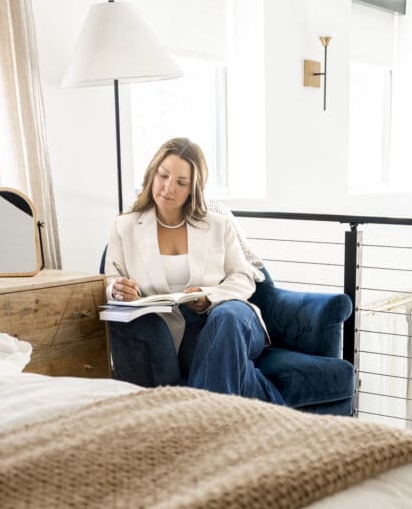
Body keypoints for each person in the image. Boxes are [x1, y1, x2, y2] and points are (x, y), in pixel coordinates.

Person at [105, 137, 283, 404]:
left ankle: (198, 420)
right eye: (163, 175)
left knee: (227, 317)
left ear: (193, 188)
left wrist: (209, 296)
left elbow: (243, 277)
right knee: (236, 371)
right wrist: (117, 289)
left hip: (230, 319)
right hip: (178, 333)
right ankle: (273, 412)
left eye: (181, 182)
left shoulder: (218, 224)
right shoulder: (124, 227)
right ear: (153, 173)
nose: (168, 187)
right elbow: (110, 279)